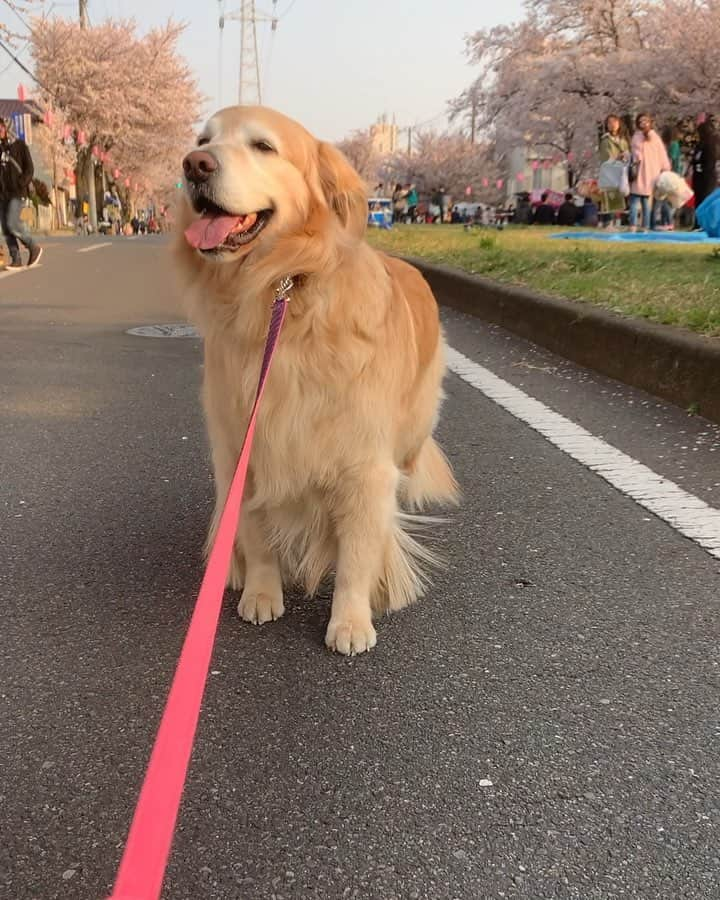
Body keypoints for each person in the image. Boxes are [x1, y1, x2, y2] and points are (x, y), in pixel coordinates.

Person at [0, 118, 42, 267]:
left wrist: (21, 182)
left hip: (17, 193)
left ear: (7, 127)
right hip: (3, 194)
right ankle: (16, 258)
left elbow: (29, 168)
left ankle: (33, 247)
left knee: (13, 223)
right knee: (6, 228)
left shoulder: (20, 145)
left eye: (2, 127)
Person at [629, 113, 670, 231]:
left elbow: (662, 154)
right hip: (638, 172)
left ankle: (644, 226)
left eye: (645, 121)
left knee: (646, 202)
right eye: (641, 121)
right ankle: (633, 225)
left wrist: (665, 168)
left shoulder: (655, 137)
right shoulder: (637, 136)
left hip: (651, 173)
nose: (643, 123)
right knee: (635, 201)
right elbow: (635, 152)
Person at [598, 114, 630, 229]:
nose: (612, 125)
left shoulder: (623, 140)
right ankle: (608, 223)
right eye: (609, 123)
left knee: (618, 198)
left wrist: (625, 157)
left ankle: (614, 223)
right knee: (610, 197)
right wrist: (618, 157)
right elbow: (605, 157)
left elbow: (627, 155)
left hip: (620, 172)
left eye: (615, 122)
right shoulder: (605, 140)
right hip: (609, 173)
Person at [690, 119, 718, 211]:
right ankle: (697, 222)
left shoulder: (710, 145)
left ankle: (705, 222)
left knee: (705, 200)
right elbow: (694, 159)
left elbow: (710, 162)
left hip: (707, 178)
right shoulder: (699, 145)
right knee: (698, 200)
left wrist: (701, 167)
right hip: (698, 177)